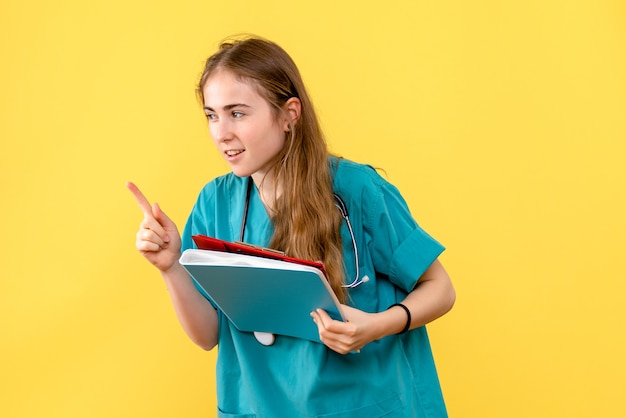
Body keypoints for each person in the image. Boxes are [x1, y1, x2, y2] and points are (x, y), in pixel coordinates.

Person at [128, 35, 456, 418]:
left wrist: (377, 326)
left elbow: (441, 288)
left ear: (289, 114)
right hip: (258, 407)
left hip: (363, 404)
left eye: (237, 113)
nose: (221, 133)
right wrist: (170, 266)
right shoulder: (214, 203)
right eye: (212, 115)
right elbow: (207, 336)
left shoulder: (357, 190)